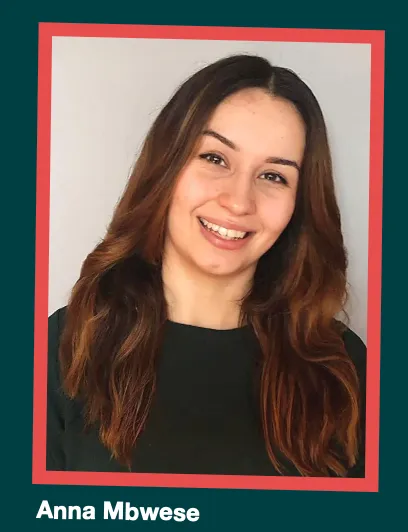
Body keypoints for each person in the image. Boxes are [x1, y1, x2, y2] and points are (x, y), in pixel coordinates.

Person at [47, 54, 366, 477]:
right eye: (215, 158)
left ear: (299, 205)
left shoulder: (344, 366)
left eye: (274, 176)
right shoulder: (63, 346)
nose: (238, 201)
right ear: (167, 164)